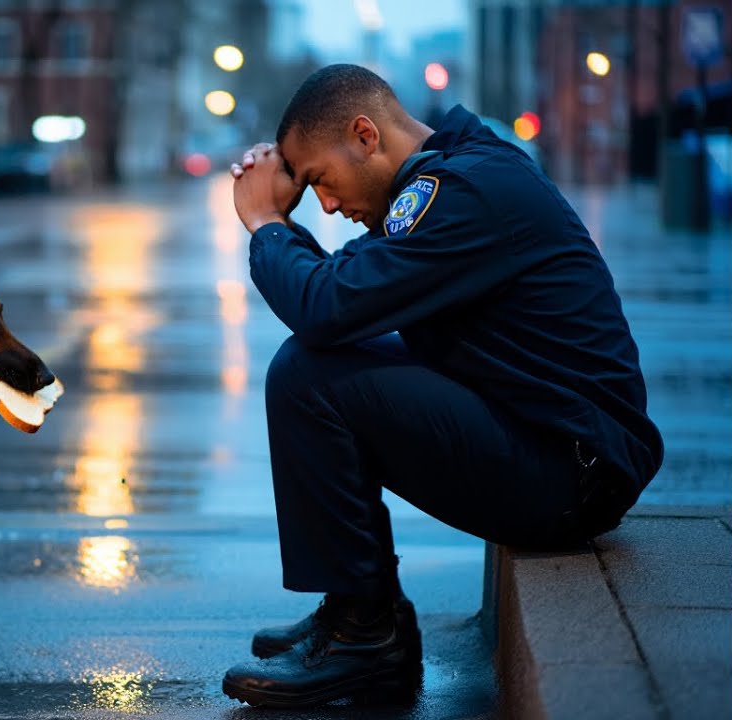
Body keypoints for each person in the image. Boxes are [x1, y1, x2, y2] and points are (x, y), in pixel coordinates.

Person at [219, 64, 664, 709]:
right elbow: (342, 297)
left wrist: (266, 223)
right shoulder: (453, 173)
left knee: (309, 375)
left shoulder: (460, 192)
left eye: (320, 180)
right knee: (318, 365)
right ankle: (355, 613)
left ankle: (368, 638)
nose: (329, 204)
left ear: (366, 136)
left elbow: (325, 305)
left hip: (571, 472)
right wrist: (285, 209)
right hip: (557, 443)